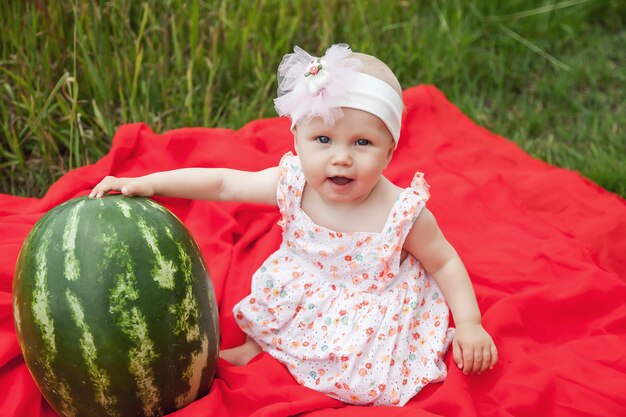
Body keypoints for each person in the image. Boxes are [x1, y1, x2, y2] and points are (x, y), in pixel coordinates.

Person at [90, 44, 498, 406]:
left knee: (363, 378)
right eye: (323, 140)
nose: (341, 158)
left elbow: (444, 262)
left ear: (390, 150)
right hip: (304, 287)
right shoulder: (293, 183)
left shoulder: (401, 214)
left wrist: (470, 325)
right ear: (296, 138)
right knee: (274, 309)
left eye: (362, 143)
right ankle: (259, 344)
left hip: (368, 300)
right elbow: (223, 182)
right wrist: (145, 183)